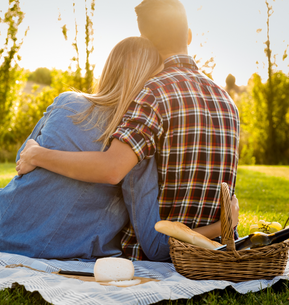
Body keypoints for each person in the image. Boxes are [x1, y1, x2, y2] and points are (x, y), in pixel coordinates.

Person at [16, 0, 241, 261]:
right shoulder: (227, 100)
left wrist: (36, 155)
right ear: (189, 35)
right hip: (217, 246)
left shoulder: (154, 92)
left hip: (153, 248)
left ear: (146, 42)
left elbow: (112, 169)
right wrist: (224, 226)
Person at [0, 36, 166, 259]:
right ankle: (19, 246)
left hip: (5, 227)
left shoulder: (66, 102)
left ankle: (2, 245)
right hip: (66, 249)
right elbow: (152, 243)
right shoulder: (133, 142)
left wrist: (36, 152)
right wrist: (207, 235)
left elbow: (22, 161)